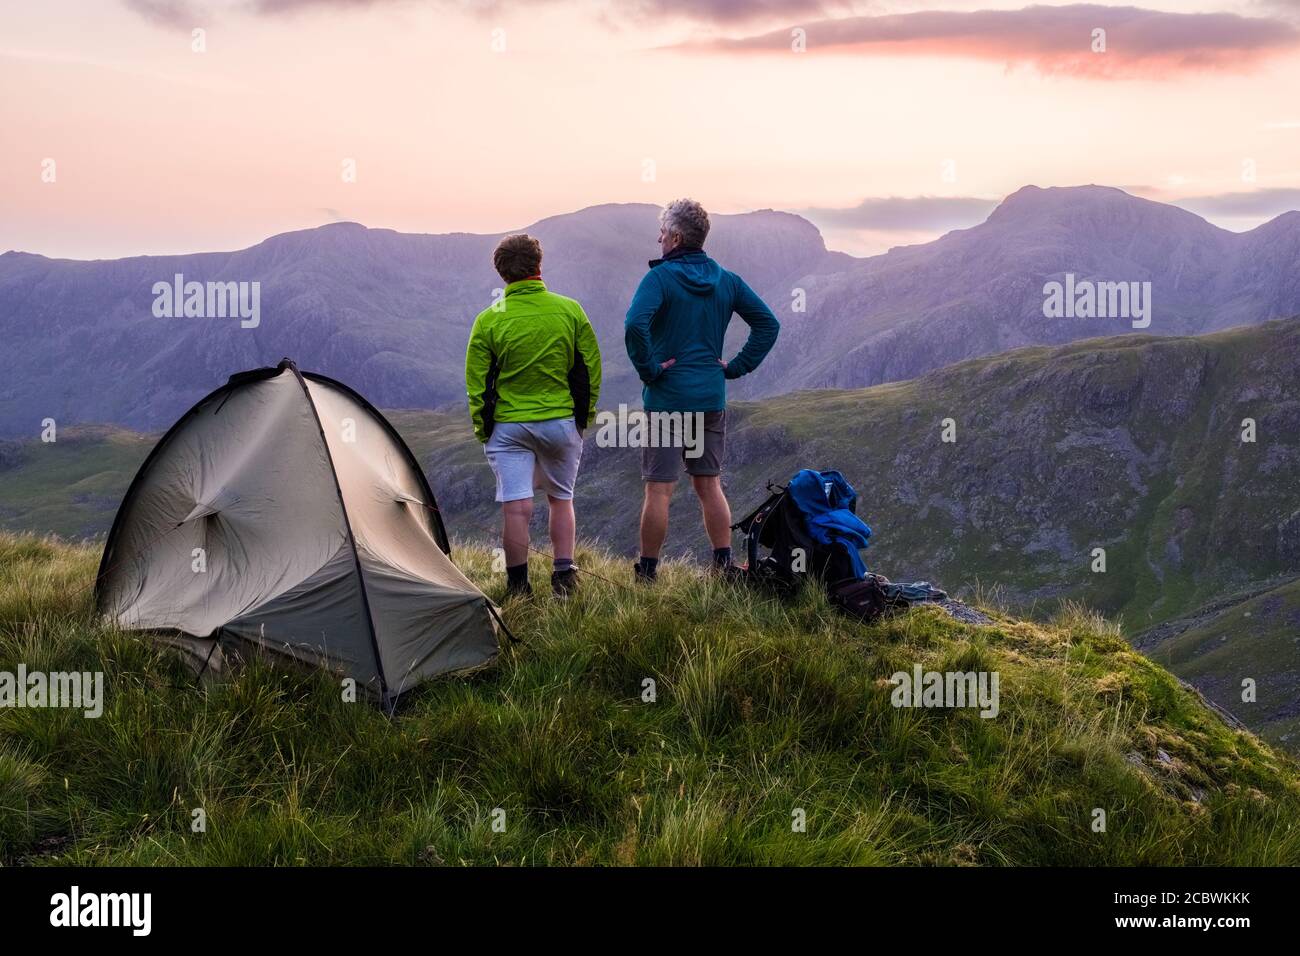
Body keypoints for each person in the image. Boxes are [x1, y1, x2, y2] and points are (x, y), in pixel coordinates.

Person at [624, 199, 779, 582]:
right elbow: (768, 325)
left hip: (667, 400)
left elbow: (634, 325)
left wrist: (649, 369)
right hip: (709, 399)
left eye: (662, 232)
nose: (658, 238)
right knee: (709, 484)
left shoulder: (659, 279)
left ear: (676, 237)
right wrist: (736, 366)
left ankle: (647, 572)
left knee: (659, 491)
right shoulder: (727, 280)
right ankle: (723, 562)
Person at [466, 233, 601, 598]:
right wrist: (581, 419)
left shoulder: (487, 321)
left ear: (502, 274)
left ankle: (518, 587)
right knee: (561, 499)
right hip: (561, 422)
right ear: (539, 266)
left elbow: (476, 385)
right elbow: (590, 368)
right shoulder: (570, 310)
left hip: (508, 427)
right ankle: (563, 577)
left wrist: (484, 429)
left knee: (517, 507)